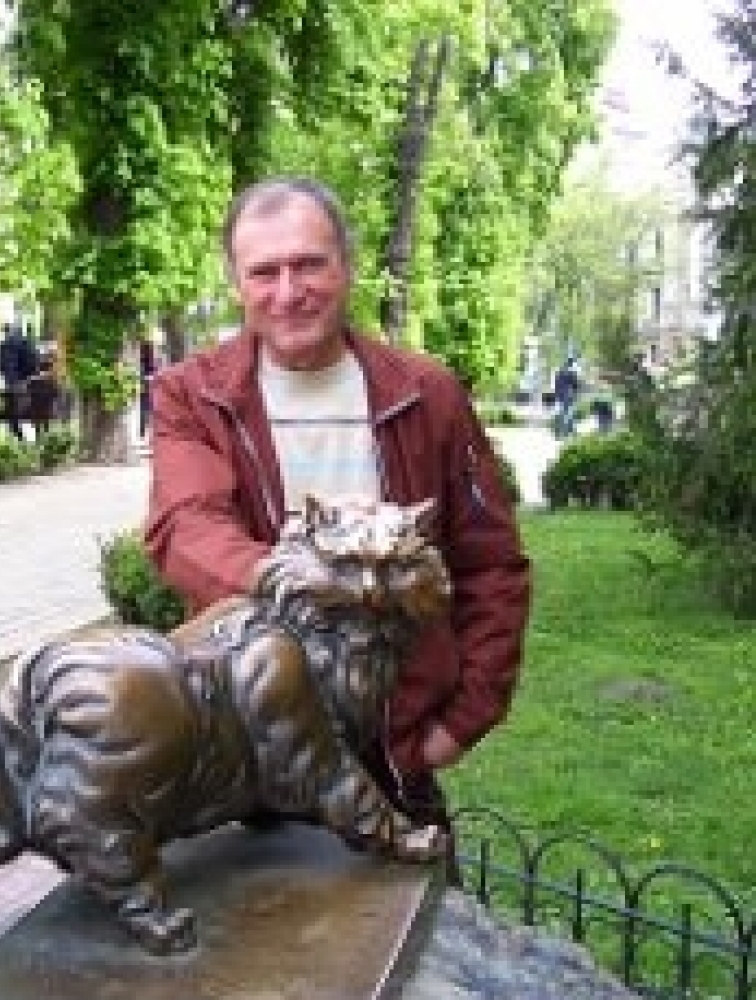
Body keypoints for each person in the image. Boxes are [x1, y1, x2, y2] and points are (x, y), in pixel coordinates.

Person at [144, 177, 531, 879]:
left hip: (391, 755)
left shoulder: (429, 395)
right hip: (244, 754)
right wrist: (297, 577)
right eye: (264, 272)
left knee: (410, 939)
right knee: (241, 945)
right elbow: (185, 527)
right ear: (236, 282)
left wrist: (460, 723)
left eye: (309, 264)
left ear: (346, 266)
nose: (288, 291)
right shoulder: (191, 396)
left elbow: (491, 566)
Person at [0, 322, 38, 440]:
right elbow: (34, 361)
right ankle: (30, 436)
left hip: (12, 382)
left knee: (12, 412)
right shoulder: (27, 342)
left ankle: (18, 437)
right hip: (27, 380)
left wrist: (8, 377)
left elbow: (0, 365)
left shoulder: (5, 344)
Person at [553, 356, 580, 438]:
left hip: (561, 396)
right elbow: (576, 385)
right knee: (569, 414)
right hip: (569, 396)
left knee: (561, 414)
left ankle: (558, 432)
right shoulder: (572, 373)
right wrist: (575, 393)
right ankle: (568, 432)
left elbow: (556, 384)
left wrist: (557, 394)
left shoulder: (559, 372)